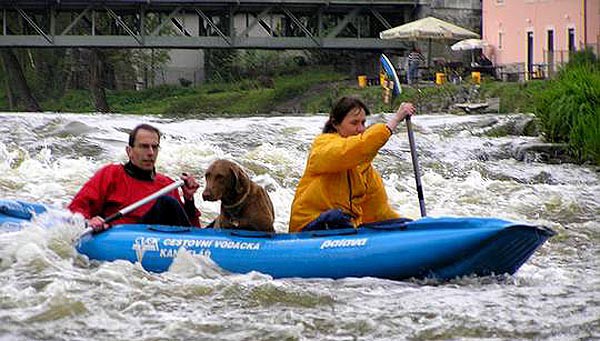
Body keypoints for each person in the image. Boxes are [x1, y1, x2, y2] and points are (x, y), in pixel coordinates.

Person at [288, 97, 416, 233]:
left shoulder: (364, 168)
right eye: (354, 123)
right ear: (336, 124)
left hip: (347, 227)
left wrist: (408, 227)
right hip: (308, 226)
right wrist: (393, 122)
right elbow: (349, 150)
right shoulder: (322, 147)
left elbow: (379, 213)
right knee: (336, 217)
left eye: (363, 123)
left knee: (401, 223)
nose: (360, 129)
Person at [69, 123, 201, 232]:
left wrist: (189, 200)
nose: (150, 153)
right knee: (166, 202)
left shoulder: (167, 184)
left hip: (162, 242)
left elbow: (193, 230)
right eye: (144, 146)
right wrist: (89, 221)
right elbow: (76, 209)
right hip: (122, 239)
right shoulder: (110, 174)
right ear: (129, 151)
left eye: (154, 147)